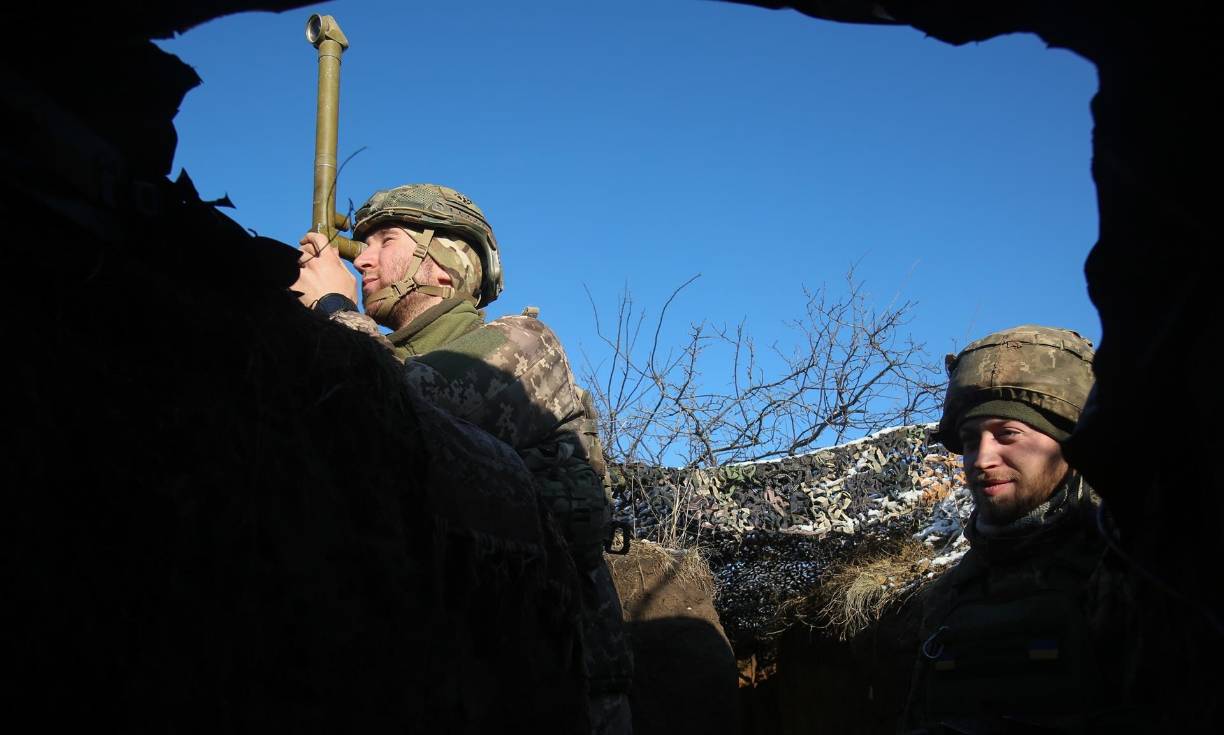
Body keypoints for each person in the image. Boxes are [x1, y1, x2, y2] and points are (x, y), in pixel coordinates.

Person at [292, 183, 633, 734]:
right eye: (362, 244)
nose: (363, 260)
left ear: (446, 264)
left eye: (385, 240)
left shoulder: (522, 344)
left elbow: (405, 411)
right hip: (439, 672)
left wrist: (334, 309)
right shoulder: (375, 354)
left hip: (552, 685)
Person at [903, 324, 1123, 734]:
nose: (981, 459)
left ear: (1069, 445)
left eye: (1007, 434)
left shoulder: (1127, 578)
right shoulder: (949, 595)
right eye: (971, 440)